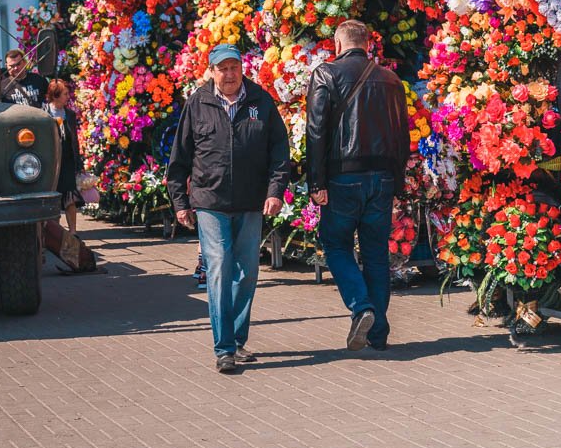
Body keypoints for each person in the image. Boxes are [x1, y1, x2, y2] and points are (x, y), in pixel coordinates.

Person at [166, 44, 291, 374]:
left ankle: (236, 339)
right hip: (210, 202)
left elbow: (280, 150)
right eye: (222, 68)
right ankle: (223, 349)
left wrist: (275, 191)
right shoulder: (198, 102)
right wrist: (181, 203)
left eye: (234, 66)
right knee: (220, 267)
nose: (230, 73)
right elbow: (179, 158)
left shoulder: (260, 101)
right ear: (211, 71)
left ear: (242, 68)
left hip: (251, 202)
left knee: (247, 274)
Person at [305, 19, 410, 352]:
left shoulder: (326, 74)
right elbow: (401, 137)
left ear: (338, 44)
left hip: (342, 177)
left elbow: (316, 131)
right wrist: (398, 183)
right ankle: (377, 333)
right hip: (382, 178)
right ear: (367, 44)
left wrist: (316, 182)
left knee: (335, 244)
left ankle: (361, 306)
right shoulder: (392, 80)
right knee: (376, 255)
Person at [45, 78, 84, 235]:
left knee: (70, 197)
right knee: (53, 197)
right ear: (55, 96)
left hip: (67, 161)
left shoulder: (70, 114)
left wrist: (78, 162)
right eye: (65, 94)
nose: (68, 97)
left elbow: (74, 139)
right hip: (51, 162)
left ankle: (73, 232)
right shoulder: (43, 113)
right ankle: (56, 234)